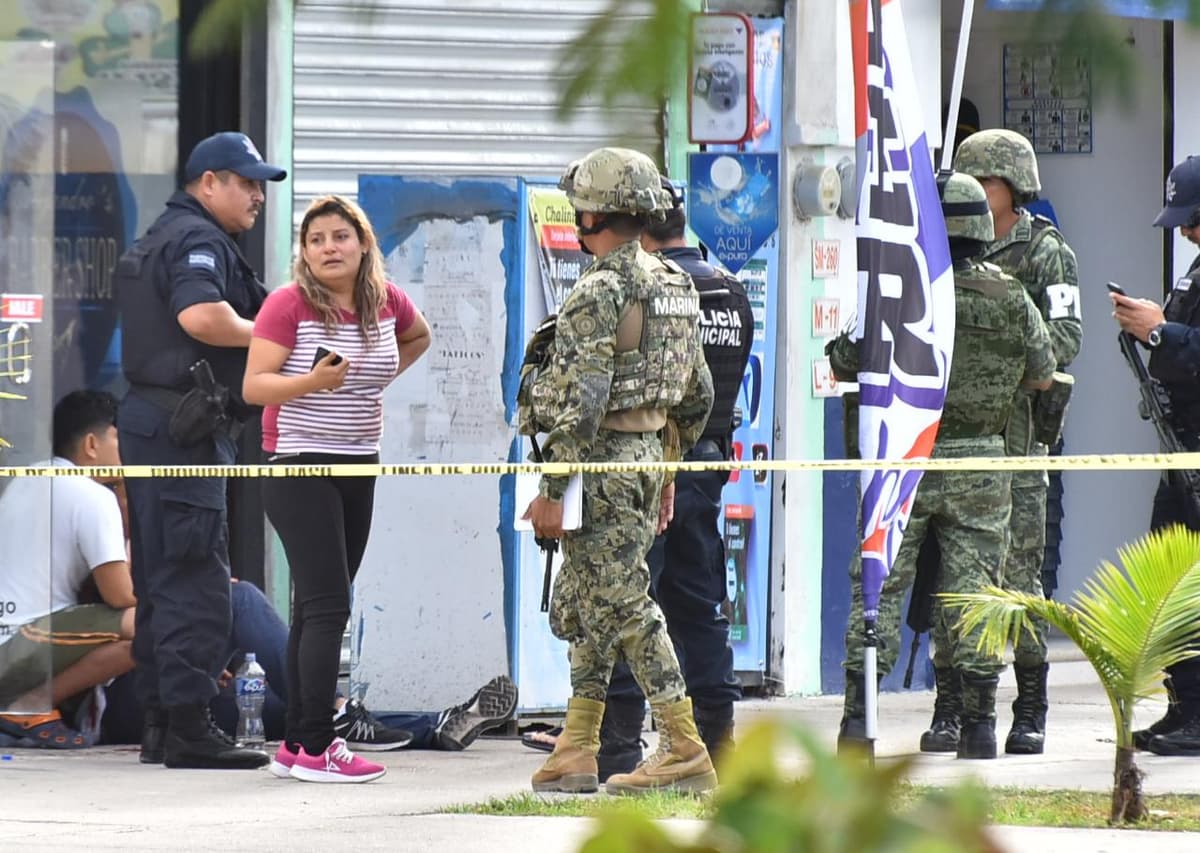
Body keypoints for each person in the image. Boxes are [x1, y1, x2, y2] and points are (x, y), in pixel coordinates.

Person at [834, 172, 1056, 760]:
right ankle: (981, 728)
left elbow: (843, 361)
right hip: (983, 466)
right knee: (974, 595)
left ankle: (858, 726)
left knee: (878, 589)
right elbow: (1043, 369)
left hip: (905, 456)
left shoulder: (898, 292)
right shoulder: (1012, 296)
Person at [519, 147, 716, 795]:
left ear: (593, 212)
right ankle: (576, 746)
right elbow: (698, 396)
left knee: (625, 601)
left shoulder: (600, 289)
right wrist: (662, 472)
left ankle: (683, 744)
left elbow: (582, 398)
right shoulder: (675, 283)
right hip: (642, 461)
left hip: (596, 463)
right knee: (592, 601)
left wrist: (553, 488)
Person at [243, 194, 432, 783]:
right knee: (330, 606)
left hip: (358, 461)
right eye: (317, 239)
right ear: (304, 251)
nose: (329, 247)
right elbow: (254, 388)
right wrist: (312, 382)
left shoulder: (387, 301)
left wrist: (367, 383)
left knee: (316, 604)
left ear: (362, 243)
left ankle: (298, 745)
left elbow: (419, 337)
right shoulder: (289, 305)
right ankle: (323, 746)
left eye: (340, 237)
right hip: (299, 462)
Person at [114, 131, 286, 770]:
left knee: (160, 576)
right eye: (246, 183)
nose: (257, 197)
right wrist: (271, 337)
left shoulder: (162, 233)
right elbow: (202, 318)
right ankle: (189, 728)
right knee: (194, 577)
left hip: (154, 423)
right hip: (182, 427)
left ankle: (162, 720)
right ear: (207, 182)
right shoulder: (197, 240)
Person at [929, 129, 1082, 756]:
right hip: (959, 444)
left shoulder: (1046, 252)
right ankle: (951, 705)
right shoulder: (942, 252)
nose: (970, 195)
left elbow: (1065, 340)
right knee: (954, 581)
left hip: (1018, 445)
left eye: (981, 184)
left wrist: (1001, 347)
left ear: (1008, 187)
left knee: (1018, 580)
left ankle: (1030, 705)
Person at [594, 177, 753, 777]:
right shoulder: (730, 289)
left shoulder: (653, 290)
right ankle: (719, 739)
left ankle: (618, 748)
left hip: (648, 465)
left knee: (627, 604)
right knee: (699, 601)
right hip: (707, 463)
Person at [1111, 154, 1200, 757]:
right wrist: (1153, 326)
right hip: (1181, 453)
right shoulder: (1196, 270)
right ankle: (1183, 708)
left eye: (1193, 218)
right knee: (1167, 584)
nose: (1187, 231)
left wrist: (1162, 332)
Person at [0, 391, 135, 748]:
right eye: (120, 439)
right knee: (156, 626)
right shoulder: (92, 495)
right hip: (24, 647)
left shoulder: (22, 480)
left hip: (15, 642)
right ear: (92, 444)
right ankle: (30, 706)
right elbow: (119, 595)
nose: (129, 454)